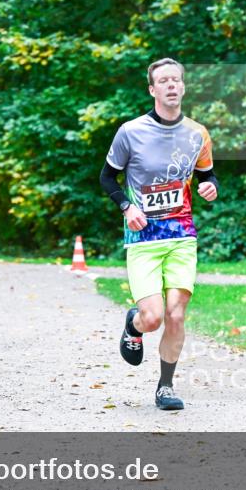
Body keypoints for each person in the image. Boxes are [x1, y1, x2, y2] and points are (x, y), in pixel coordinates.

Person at [99, 58, 219, 411]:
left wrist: (210, 187)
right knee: (152, 318)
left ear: (183, 86)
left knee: (176, 314)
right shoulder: (130, 132)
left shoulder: (197, 133)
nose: (170, 85)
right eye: (163, 80)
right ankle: (134, 326)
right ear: (152, 89)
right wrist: (127, 207)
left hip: (182, 235)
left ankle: (165, 387)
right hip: (144, 239)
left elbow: (207, 176)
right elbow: (107, 177)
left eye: (176, 79)